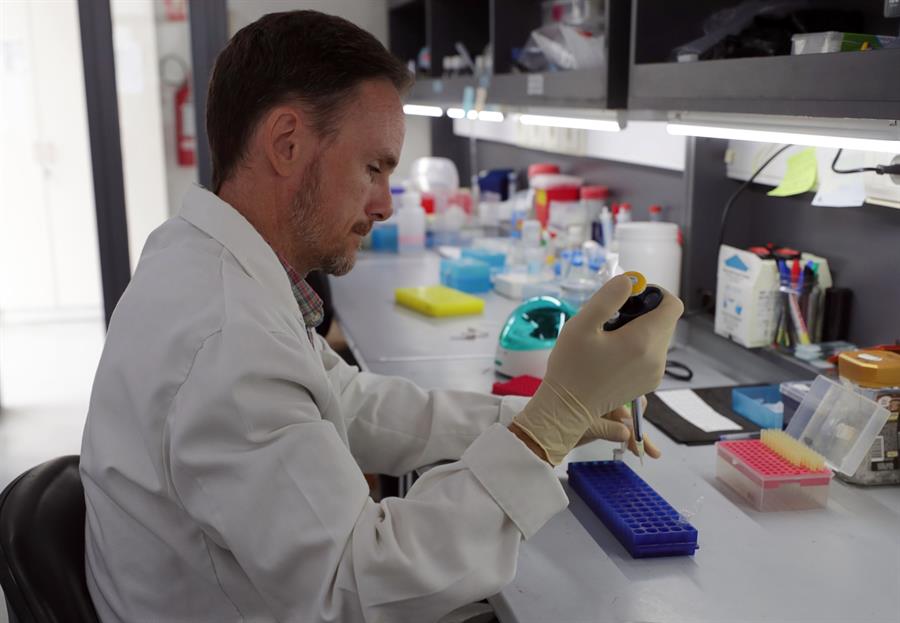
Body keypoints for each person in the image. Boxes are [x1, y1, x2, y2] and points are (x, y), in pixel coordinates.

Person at [80, 10, 682, 623]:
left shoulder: (204, 259)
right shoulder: (227, 338)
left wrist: (537, 417)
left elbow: (347, 401)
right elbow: (359, 584)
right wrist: (542, 436)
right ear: (287, 143)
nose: (385, 205)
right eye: (373, 168)